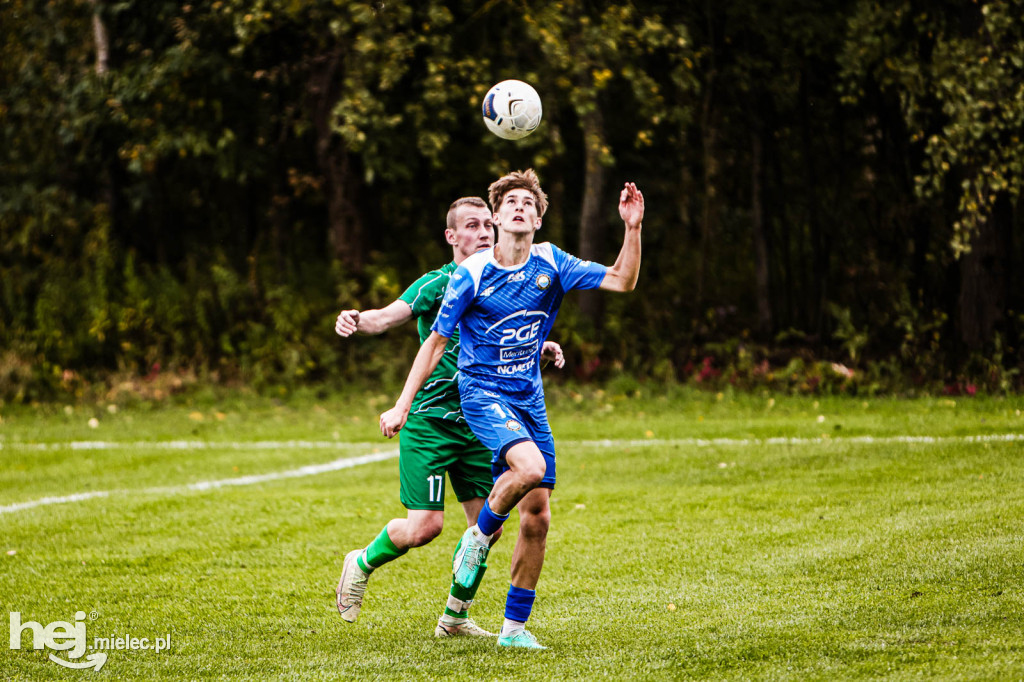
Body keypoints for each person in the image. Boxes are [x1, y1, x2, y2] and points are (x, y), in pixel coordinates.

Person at [380, 169, 644, 649]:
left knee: (538, 515)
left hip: (529, 398)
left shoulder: (551, 262)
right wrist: (402, 406)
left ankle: (513, 631)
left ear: (538, 219)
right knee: (530, 467)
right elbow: (436, 342)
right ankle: (477, 541)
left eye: (529, 203)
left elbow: (622, 280)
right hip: (482, 393)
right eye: (511, 203)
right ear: (497, 217)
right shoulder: (472, 274)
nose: (520, 207)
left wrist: (632, 227)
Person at [334, 196, 566, 638]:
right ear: (451, 236)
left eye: (486, 226)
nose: (483, 233)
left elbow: (508, 336)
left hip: (482, 423)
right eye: (472, 226)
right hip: (431, 423)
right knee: (425, 528)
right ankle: (361, 561)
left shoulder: (498, 279)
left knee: (489, 527)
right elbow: (386, 318)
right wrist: (356, 319)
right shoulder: (436, 284)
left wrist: (541, 346)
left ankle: (454, 617)